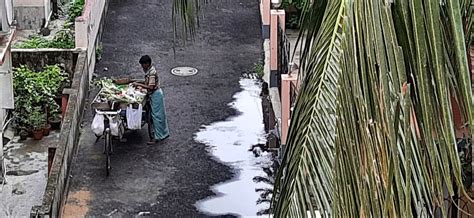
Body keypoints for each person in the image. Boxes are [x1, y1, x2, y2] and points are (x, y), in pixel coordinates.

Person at [133, 55, 170, 144]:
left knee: (156, 116)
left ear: (148, 64)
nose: (142, 67)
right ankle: (162, 134)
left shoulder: (152, 73)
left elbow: (150, 86)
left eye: (143, 65)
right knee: (158, 116)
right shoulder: (149, 71)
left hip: (156, 95)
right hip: (155, 94)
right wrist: (138, 82)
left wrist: (140, 85)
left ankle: (157, 137)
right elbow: (147, 82)